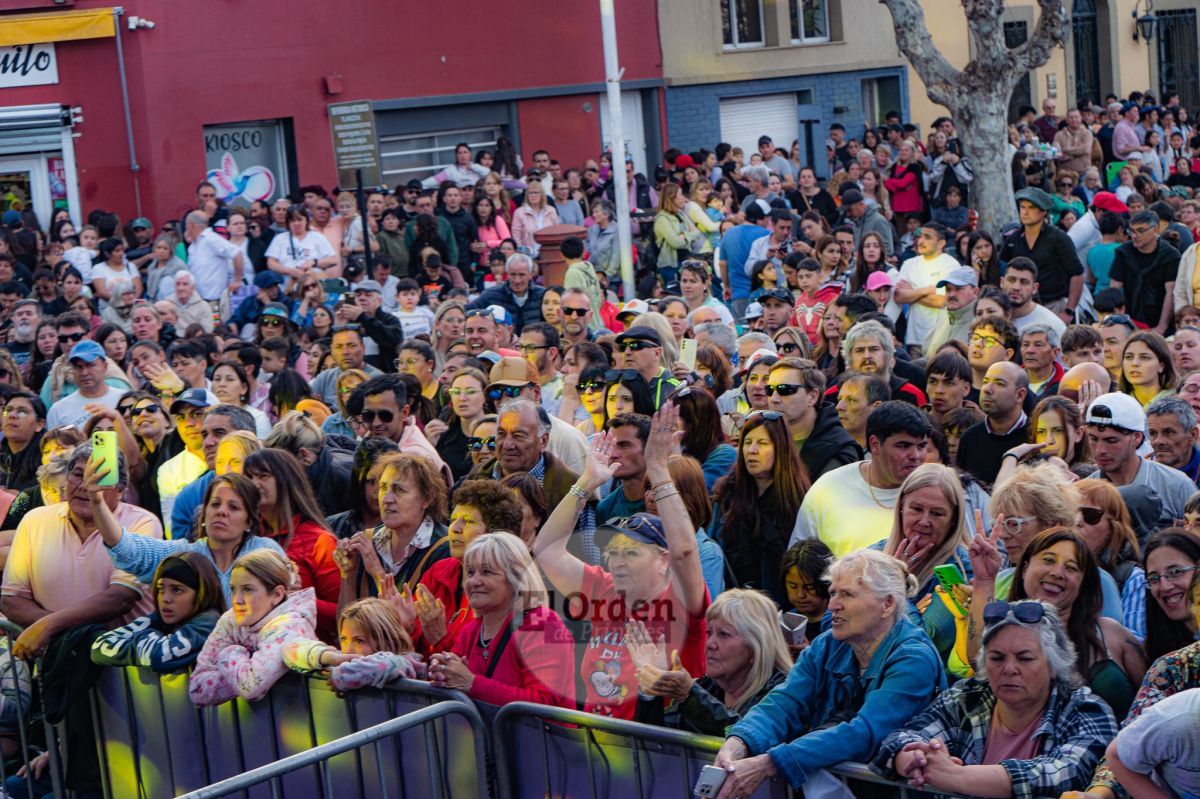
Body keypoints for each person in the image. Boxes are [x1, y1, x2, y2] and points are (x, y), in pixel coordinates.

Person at [710, 549, 945, 795]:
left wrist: (769, 763)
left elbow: (865, 733)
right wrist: (738, 743)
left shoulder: (914, 658)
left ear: (887, 604)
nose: (832, 605)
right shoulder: (827, 645)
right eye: (833, 593)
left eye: (847, 595)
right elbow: (783, 703)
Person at [533, 406, 708, 719]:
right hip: (599, 747)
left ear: (662, 560)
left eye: (630, 552)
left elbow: (685, 551)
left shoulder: (680, 600)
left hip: (659, 751)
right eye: (612, 552)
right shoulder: (604, 588)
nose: (616, 560)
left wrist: (657, 469)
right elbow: (546, 550)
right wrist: (586, 482)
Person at [873, 599, 1119, 797]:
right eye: (997, 658)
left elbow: (1064, 773)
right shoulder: (967, 696)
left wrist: (957, 777)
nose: (1009, 669)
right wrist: (915, 758)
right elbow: (899, 738)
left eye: (1025, 658)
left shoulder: (1086, 709)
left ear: (1053, 665)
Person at [428, 532, 576, 708]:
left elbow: (545, 703)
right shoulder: (472, 630)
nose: (474, 581)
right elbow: (457, 680)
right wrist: (441, 670)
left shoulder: (541, 624)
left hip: (540, 735)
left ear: (516, 578)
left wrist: (471, 684)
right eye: (470, 572)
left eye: (486, 572)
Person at [630, 589, 793, 736]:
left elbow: (745, 736)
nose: (710, 644)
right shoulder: (707, 687)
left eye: (723, 634)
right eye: (709, 633)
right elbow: (657, 744)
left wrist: (690, 696)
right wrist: (651, 690)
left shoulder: (783, 692)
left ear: (756, 647)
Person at [791, 401, 932, 556]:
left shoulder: (937, 493)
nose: (915, 456)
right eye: (903, 446)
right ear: (875, 444)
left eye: (922, 446)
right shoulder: (830, 488)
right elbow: (798, 559)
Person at [188, 550, 317, 705]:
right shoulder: (231, 619)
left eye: (247, 589)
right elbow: (197, 689)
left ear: (277, 595)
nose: (237, 600)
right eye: (233, 589)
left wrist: (231, 653)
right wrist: (243, 672)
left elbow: (251, 686)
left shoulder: (290, 625)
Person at [711, 410, 809, 607]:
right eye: (747, 443)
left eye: (762, 444)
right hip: (731, 602)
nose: (752, 450)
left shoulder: (799, 499)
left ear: (780, 449)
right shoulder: (727, 493)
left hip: (778, 606)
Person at [333, 452, 450, 605]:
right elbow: (345, 623)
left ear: (426, 498)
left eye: (399, 490)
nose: (386, 499)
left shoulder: (443, 549)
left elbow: (418, 624)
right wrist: (349, 574)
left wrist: (378, 573)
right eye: (383, 487)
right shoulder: (369, 541)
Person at [90, 552, 225, 671]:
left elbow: (157, 656)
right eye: (161, 589)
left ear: (201, 593)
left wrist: (148, 638)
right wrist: (149, 643)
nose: (165, 599)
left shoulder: (209, 624)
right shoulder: (159, 619)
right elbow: (99, 646)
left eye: (177, 590)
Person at [1084, 392, 1197, 521]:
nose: (1100, 450)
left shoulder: (1176, 486)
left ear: (1137, 438)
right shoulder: (1081, 493)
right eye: (1093, 439)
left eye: (1111, 440)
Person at [766, 356, 860, 479]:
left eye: (785, 389)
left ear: (812, 396)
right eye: (769, 390)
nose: (774, 399)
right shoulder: (759, 435)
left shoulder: (837, 449)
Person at [1000, 188, 1084, 323]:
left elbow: (1077, 273)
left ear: (1043, 211)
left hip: (1053, 305)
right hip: (1020, 307)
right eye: (1022, 207)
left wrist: (1069, 310)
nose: (1025, 212)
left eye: (1031, 208)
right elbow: (1002, 270)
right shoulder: (1013, 240)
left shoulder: (1058, 238)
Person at [1075, 480, 1147, 638]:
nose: (1078, 521)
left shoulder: (1132, 577)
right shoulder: (1049, 568)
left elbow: (1135, 641)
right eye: (1072, 512)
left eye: (1090, 515)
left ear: (1112, 527)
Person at [956, 361, 1030, 485]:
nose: (987, 389)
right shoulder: (970, 437)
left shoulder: (1035, 437)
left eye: (999, 384)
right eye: (985, 382)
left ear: (1020, 395)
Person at [1110, 210, 1180, 334]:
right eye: (1131, 231)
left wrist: (1161, 327)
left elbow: (1171, 293)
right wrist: (1116, 321)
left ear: (1155, 230)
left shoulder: (1170, 255)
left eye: (1140, 231)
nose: (1134, 236)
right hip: (1129, 319)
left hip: (1161, 320)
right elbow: (1114, 289)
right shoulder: (1124, 252)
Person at [894, 223, 956, 355]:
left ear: (941, 243)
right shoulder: (909, 264)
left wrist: (912, 292)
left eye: (927, 237)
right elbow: (898, 296)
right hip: (914, 339)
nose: (921, 241)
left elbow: (941, 300)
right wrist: (926, 290)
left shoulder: (950, 265)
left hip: (941, 340)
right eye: (920, 236)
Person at [45, 341, 127, 430]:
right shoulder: (58, 410)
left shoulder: (124, 400)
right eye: (78, 367)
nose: (84, 373)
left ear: (105, 367)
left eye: (90, 365)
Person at [835, 373, 889, 450]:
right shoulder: (828, 447)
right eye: (839, 400)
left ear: (877, 407)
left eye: (851, 400)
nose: (839, 407)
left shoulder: (889, 454)